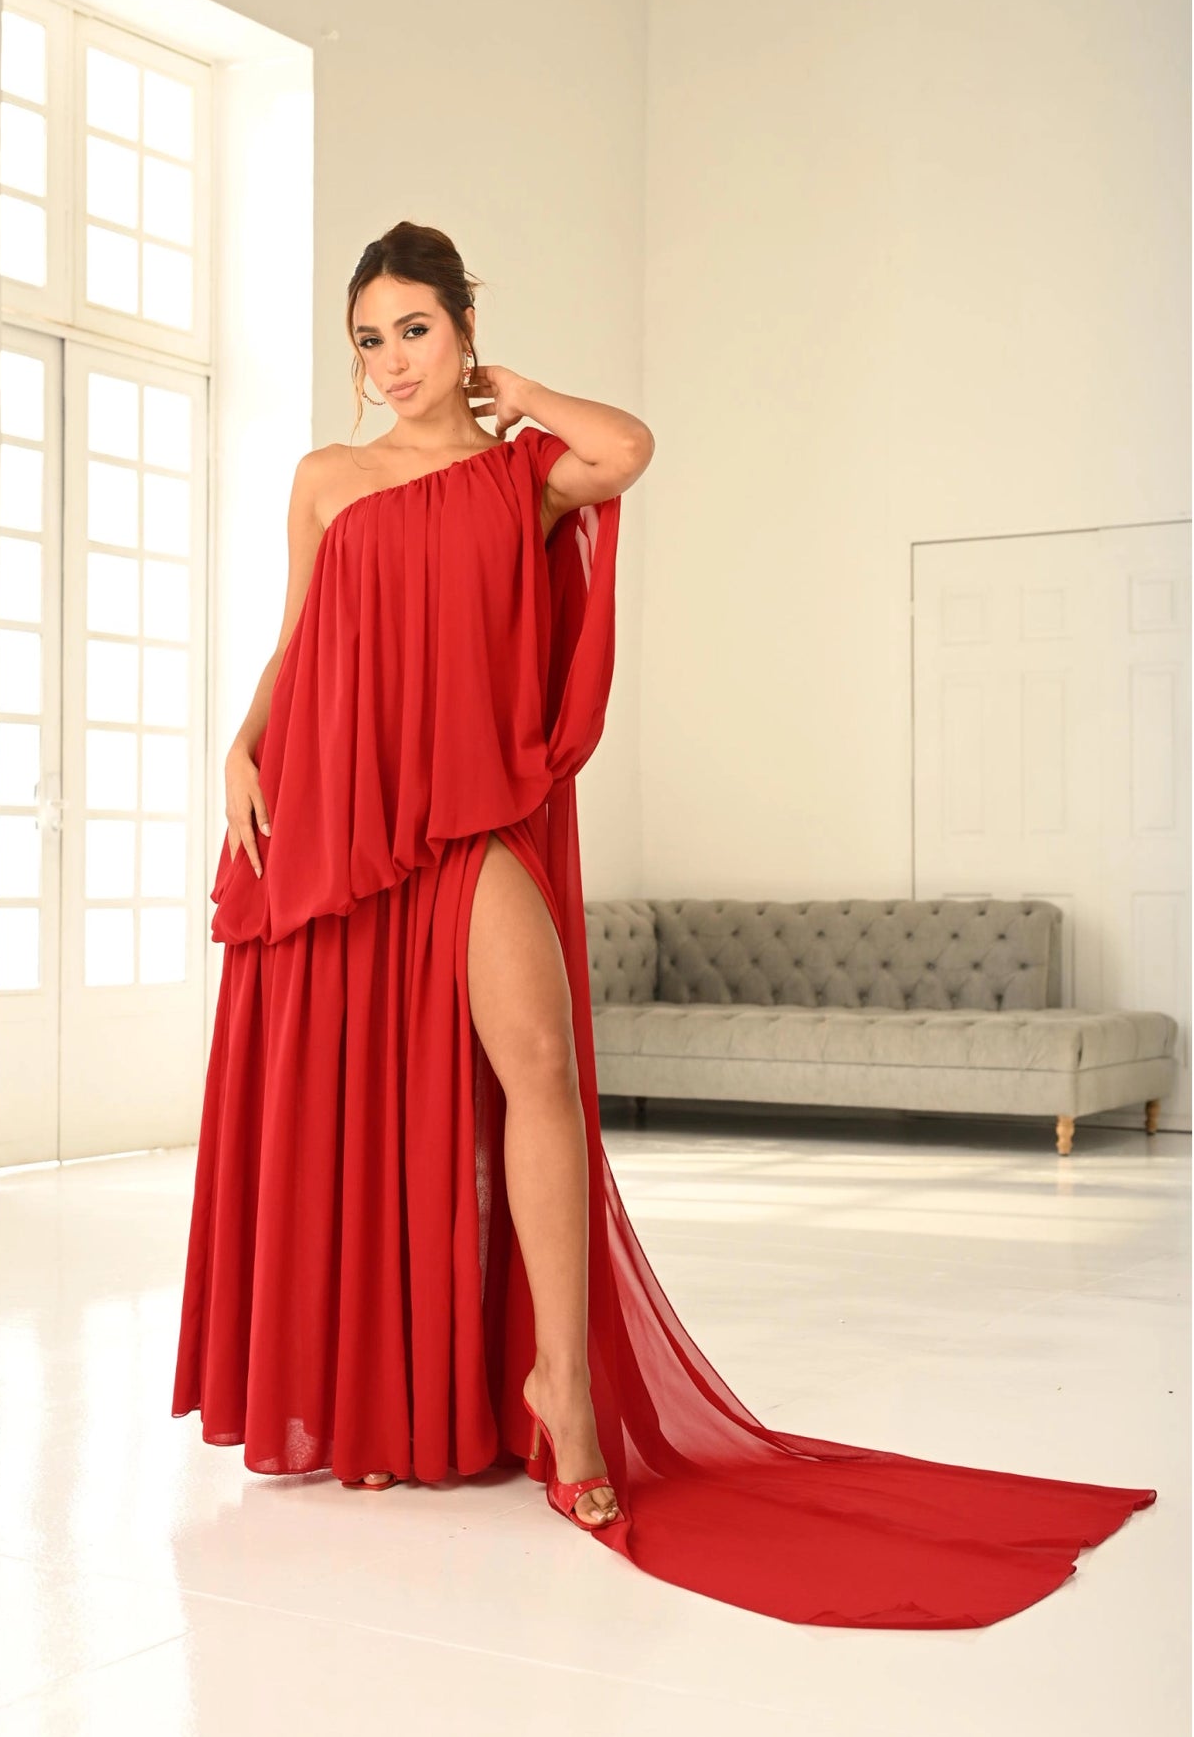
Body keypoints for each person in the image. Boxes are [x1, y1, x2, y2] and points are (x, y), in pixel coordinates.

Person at [172, 221, 1156, 1629]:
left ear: (463, 329)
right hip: (337, 815)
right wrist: (242, 744)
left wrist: (517, 392)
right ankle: (379, 1401)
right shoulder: (325, 478)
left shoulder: (522, 474)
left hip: (468, 813)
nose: (390, 363)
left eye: (415, 331)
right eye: (370, 341)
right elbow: (299, 633)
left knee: (538, 1068)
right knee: (370, 1103)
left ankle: (560, 1387)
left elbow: (627, 448)